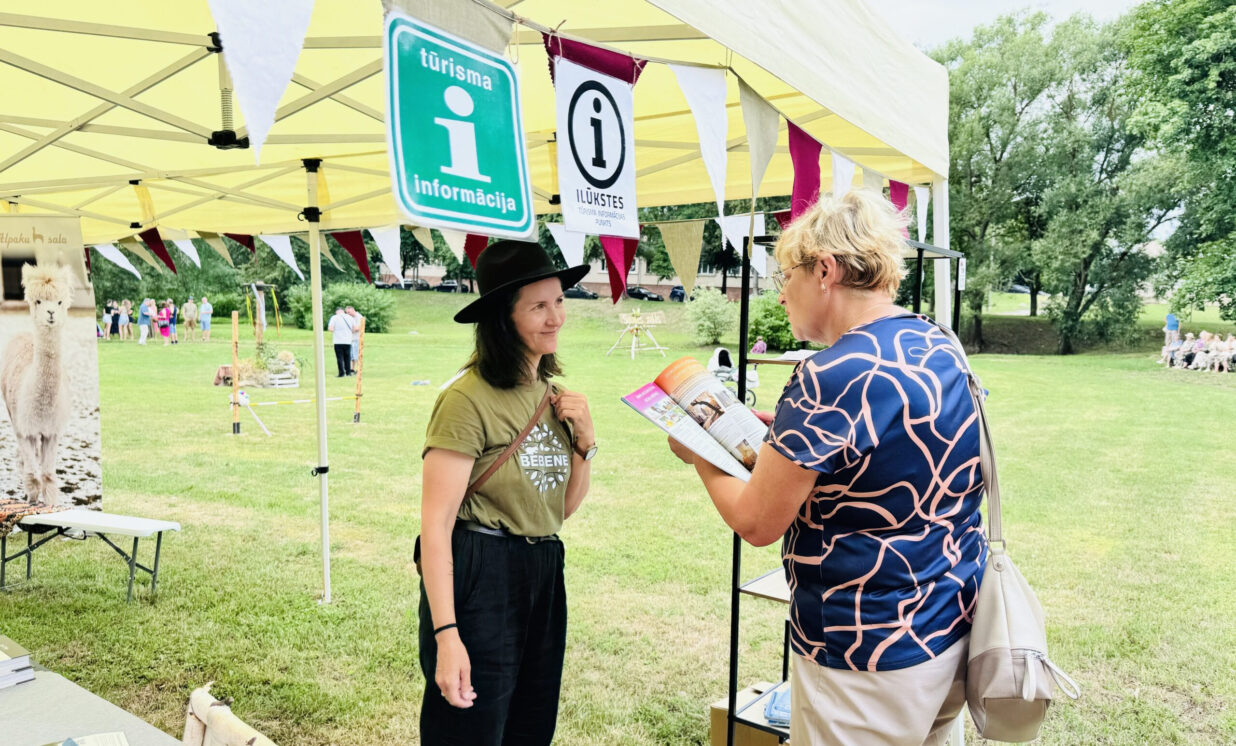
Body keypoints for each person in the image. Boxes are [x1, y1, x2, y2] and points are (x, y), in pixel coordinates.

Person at [666, 190, 986, 745]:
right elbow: (887, 446)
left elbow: (757, 522)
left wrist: (699, 449)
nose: (780, 292)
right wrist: (784, 430)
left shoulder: (829, 375)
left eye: (784, 275)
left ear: (824, 270)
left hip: (863, 651)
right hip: (948, 625)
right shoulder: (936, 341)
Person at [418, 240, 596, 745]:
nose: (556, 317)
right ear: (503, 317)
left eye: (558, 300)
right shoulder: (466, 399)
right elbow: (435, 526)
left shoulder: (555, 397)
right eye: (538, 306)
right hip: (482, 569)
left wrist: (585, 443)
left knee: (531, 726)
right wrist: (447, 635)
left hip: (544, 569)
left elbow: (559, 508)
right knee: (470, 729)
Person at [328, 307, 354, 377]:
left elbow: (330, 328)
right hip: (348, 341)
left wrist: (337, 330)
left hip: (338, 341)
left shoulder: (334, 317)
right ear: (343, 311)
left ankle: (341, 373)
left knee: (340, 358)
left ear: (337, 312)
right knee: (347, 357)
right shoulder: (350, 318)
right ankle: (348, 372)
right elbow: (354, 328)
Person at [346, 305, 365, 375]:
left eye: (349, 312)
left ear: (353, 310)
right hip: (350, 339)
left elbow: (358, 328)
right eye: (347, 312)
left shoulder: (359, 317)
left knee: (356, 355)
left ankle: (358, 369)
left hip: (357, 339)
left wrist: (351, 329)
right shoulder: (349, 318)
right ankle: (352, 369)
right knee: (351, 355)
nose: (348, 314)